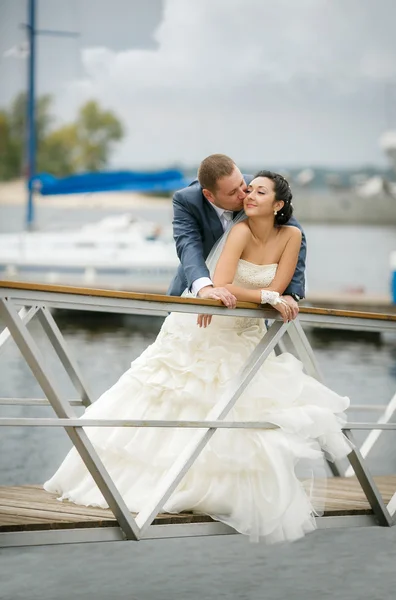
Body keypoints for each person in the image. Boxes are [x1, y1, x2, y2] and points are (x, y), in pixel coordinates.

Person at [44, 169, 350, 544]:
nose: (248, 196)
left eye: (257, 191)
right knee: (174, 395)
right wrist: (265, 297)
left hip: (244, 332)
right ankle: (149, 481)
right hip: (205, 322)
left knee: (242, 407)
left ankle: (217, 486)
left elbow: (282, 284)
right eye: (246, 190)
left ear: (279, 204)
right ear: (211, 193)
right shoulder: (226, 223)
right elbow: (224, 281)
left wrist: (284, 296)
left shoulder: (292, 234)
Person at [167, 154, 306, 321]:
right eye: (233, 192)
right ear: (209, 196)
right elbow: (188, 246)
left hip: (249, 310)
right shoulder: (187, 201)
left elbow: (293, 235)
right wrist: (205, 289)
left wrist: (290, 293)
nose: (244, 195)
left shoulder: (257, 189)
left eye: (242, 184)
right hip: (196, 297)